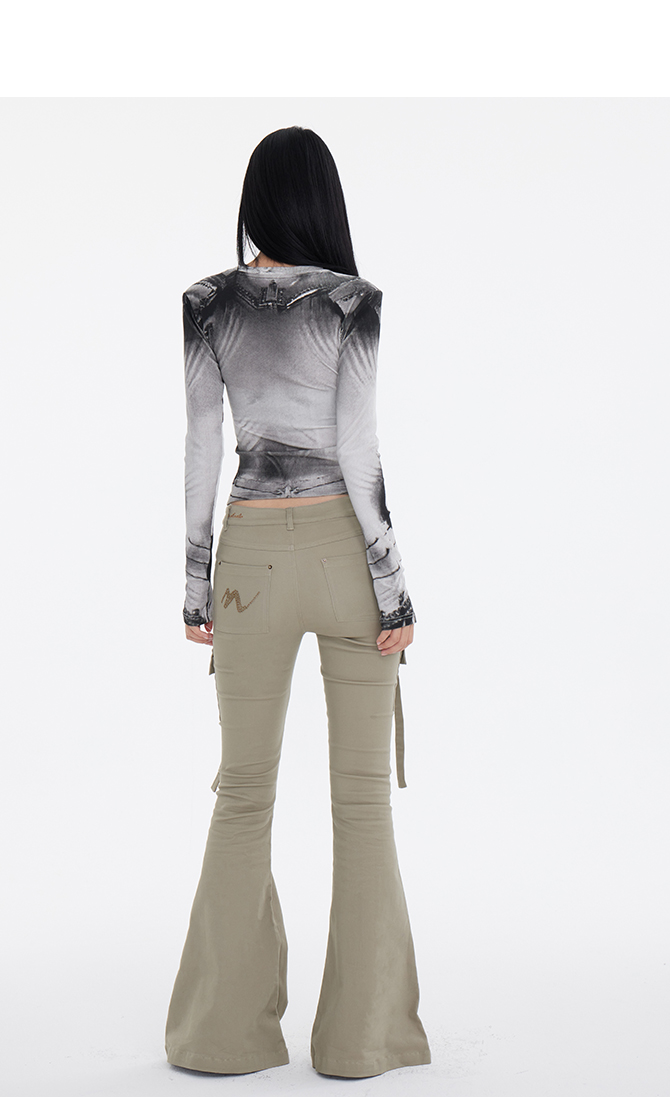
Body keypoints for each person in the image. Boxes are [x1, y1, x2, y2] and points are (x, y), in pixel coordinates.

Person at [164, 126, 432, 1079]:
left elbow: (203, 445)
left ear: (254, 202)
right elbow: (358, 451)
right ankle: (361, 1040)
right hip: (343, 555)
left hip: (248, 562)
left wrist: (195, 580)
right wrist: (393, 585)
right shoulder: (355, 304)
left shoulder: (206, 304)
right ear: (324, 202)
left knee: (243, 792)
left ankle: (218, 1036)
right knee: (362, 803)